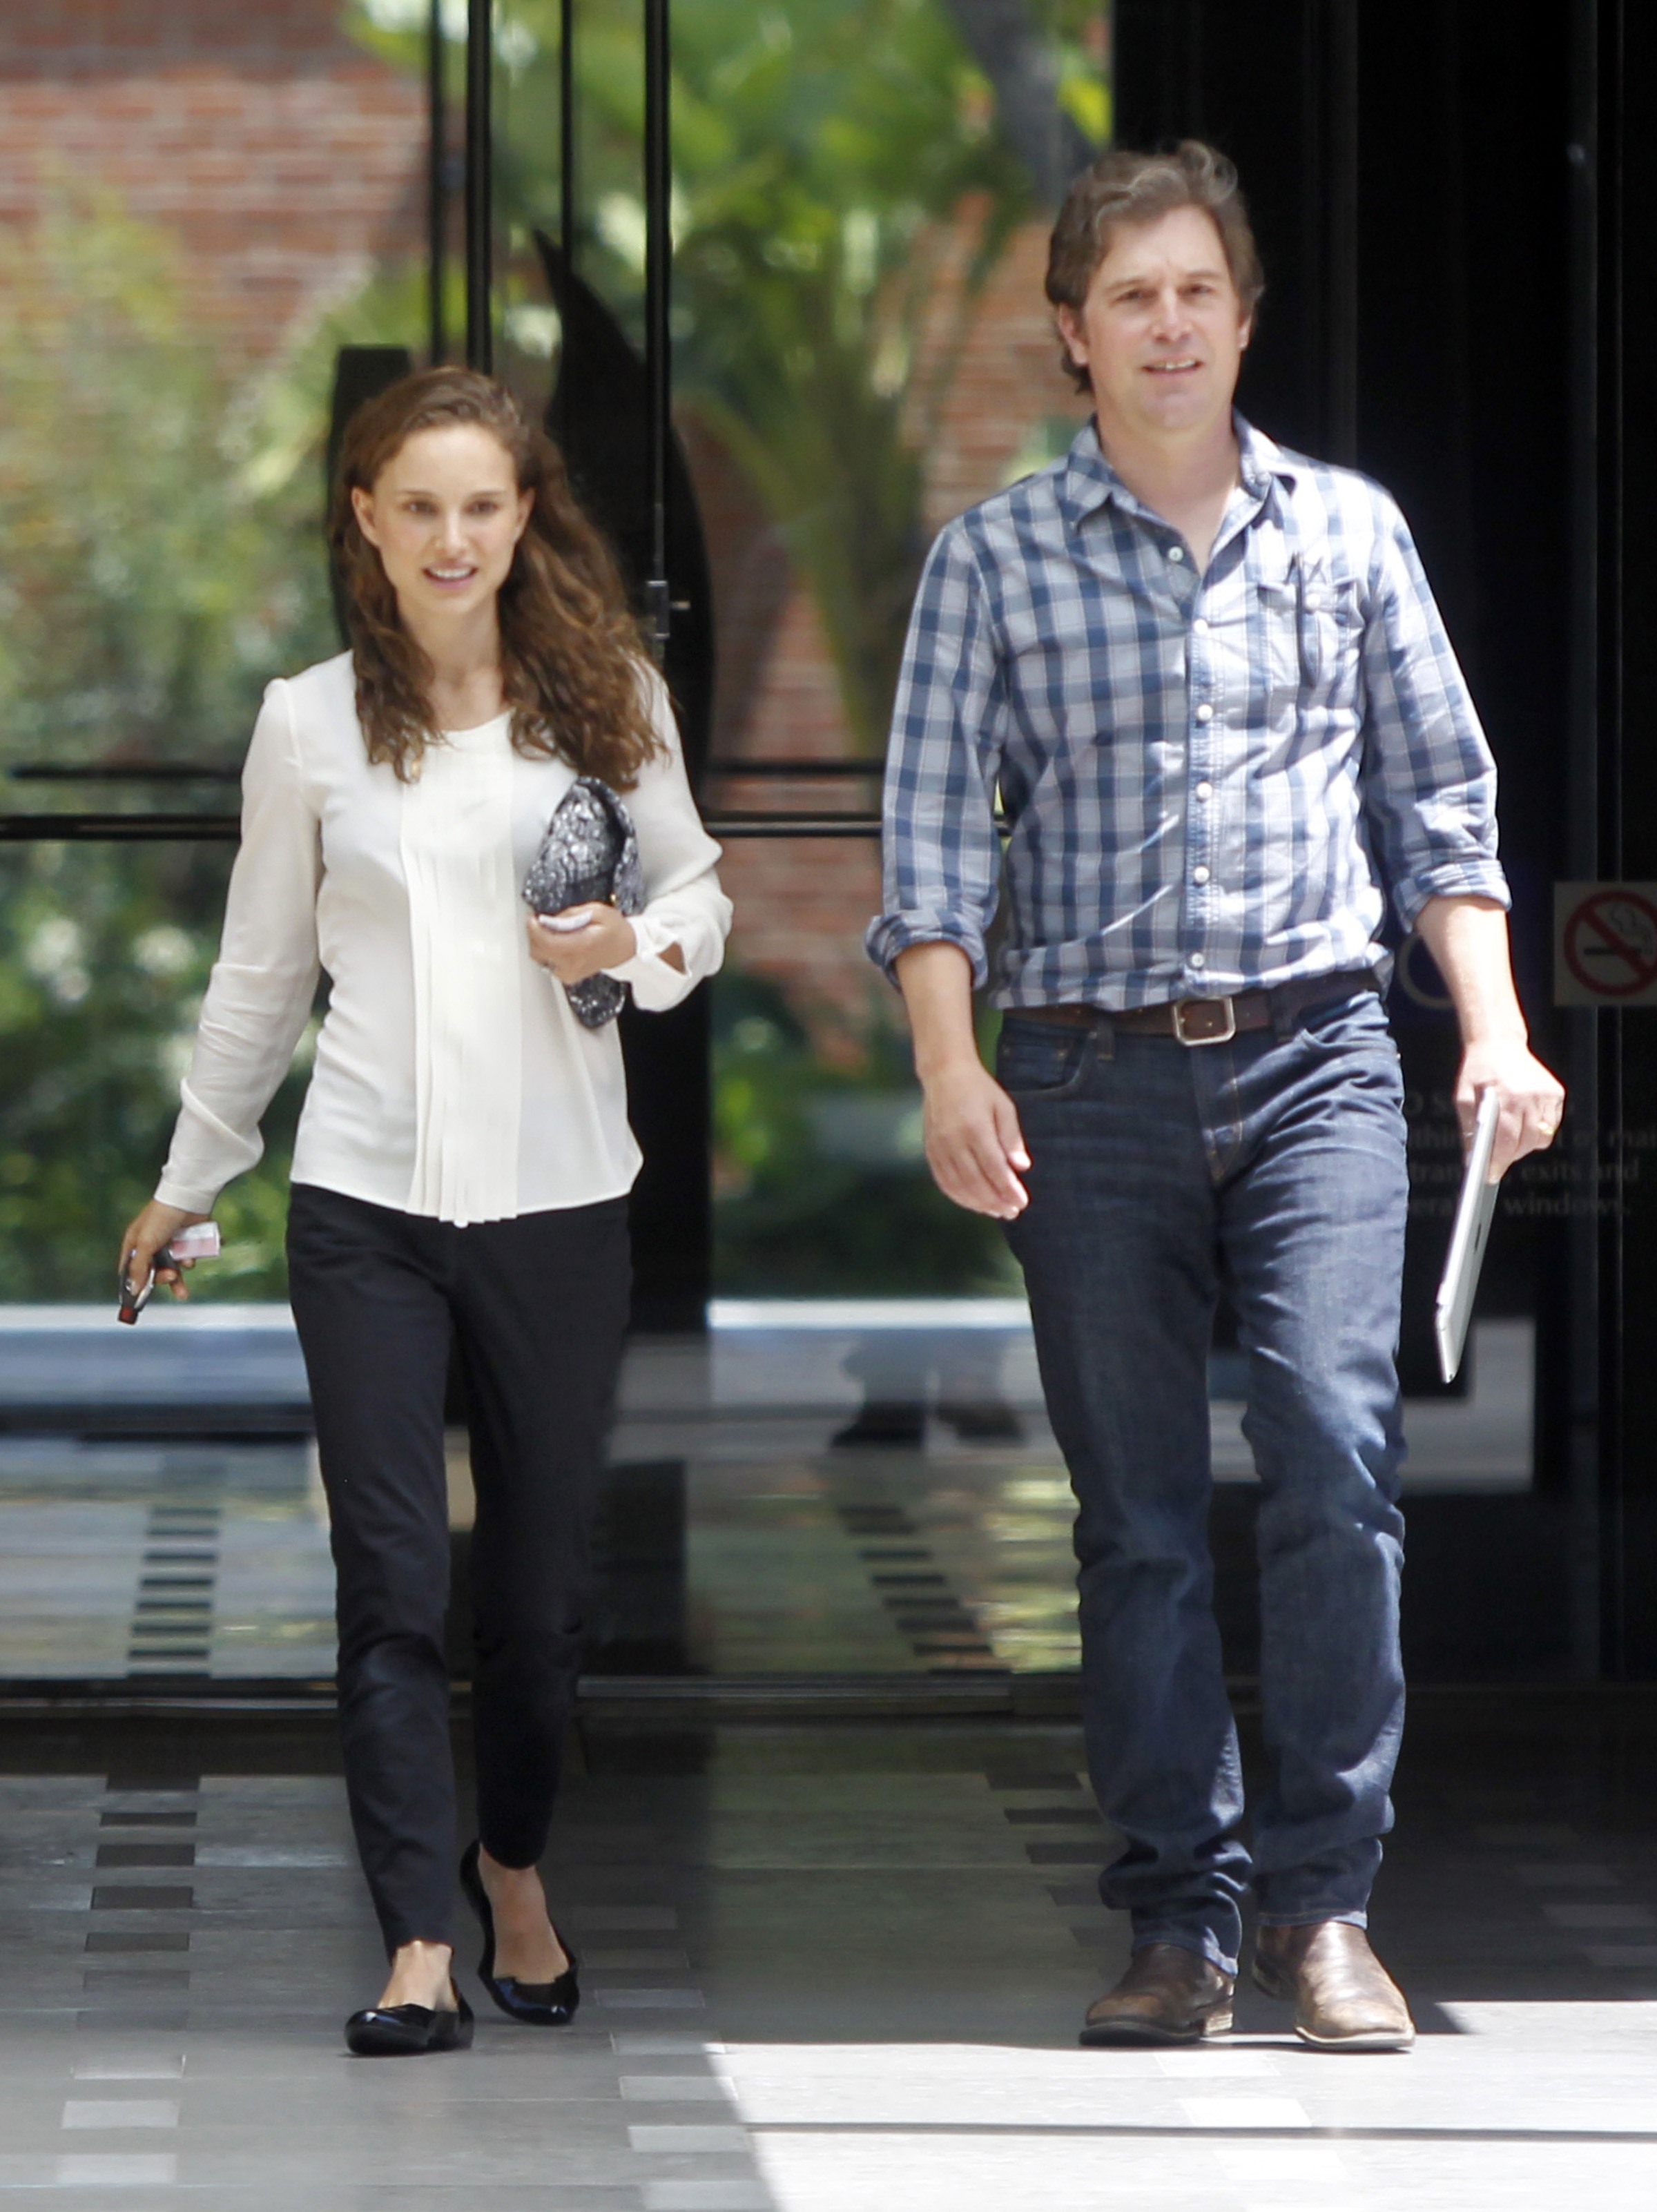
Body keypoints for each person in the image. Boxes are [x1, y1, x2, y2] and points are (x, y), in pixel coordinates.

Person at [867, 142, 1563, 2052]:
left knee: (1340, 1457)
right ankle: (1183, 1912)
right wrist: (949, 1064)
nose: (1168, 325)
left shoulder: (1349, 535)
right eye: (1131, 298)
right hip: (1083, 1078)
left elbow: (1443, 808)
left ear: (1243, 318)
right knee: (1142, 1518)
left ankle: (1328, 1907)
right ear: (1071, 334)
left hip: (1324, 1054)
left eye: (1199, 292)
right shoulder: (992, 559)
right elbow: (931, 844)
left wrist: (1492, 1028)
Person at [119, 367, 730, 2055]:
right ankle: (412, 1940)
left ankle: (510, 1863)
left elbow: (701, 895)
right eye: (418, 507)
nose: (452, 537)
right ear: (367, 525)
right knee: (387, 1583)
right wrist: (188, 1180)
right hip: (364, 1202)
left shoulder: (608, 697)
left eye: (483, 504)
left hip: (558, 1205)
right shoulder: (308, 724)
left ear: (524, 517)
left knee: (535, 1611)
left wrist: (633, 949)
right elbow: (261, 974)